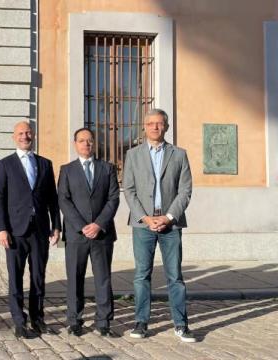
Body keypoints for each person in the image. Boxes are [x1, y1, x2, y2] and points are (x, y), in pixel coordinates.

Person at [123, 108, 196, 343]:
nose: (155, 127)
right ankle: (141, 321)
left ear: (166, 126)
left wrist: (169, 216)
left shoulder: (179, 154)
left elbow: (185, 191)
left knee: (175, 276)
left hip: (170, 226)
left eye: (160, 123)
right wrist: (145, 217)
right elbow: (130, 190)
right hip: (143, 224)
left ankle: (181, 324)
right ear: (144, 127)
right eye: (151, 123)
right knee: (141, 275)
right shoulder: (132, 155)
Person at [0, 121, 61, 339]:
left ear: (33, 135)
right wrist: (1, 228)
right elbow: (0, 199)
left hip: (40, 230)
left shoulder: (45, 164)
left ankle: (37, 317)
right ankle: (18, 320)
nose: (25, 136)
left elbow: (52, 198)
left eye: (28, 132)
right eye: (21, 133)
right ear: (14, 137)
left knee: (38, 276)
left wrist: (57, 226)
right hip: (14, 231)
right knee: (16, 277)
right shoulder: (5, 165)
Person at [57, 128, 120, 337]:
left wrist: (98, 224)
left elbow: (113, 198)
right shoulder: (67, 170)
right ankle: (74, 321)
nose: (86, 144)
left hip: (102, 234)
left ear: (95, 144)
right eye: (82, 141)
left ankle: (104, 322)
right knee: (75, 278)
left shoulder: (107, 168)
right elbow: (63, 200)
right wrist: (82, 226)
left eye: (90, 141)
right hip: (77, 235)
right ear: (75, 143)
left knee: (103, 278)